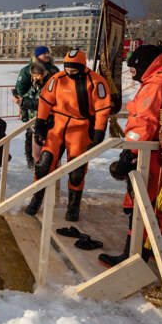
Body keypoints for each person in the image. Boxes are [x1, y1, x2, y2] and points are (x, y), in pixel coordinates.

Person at [24, 49, 111, 221]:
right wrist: (40, 123)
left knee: (77, 170)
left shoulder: (96, 82)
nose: (70, 73)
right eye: (67, 69)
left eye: (74, 70)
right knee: (43, 164)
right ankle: (36, 199)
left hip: (81, 128)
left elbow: (102, 108)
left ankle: (73, 206)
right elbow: (45, 101)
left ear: (82, 67)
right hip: (58, 126)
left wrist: (99, 133)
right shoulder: (58, 79)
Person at [98, 45, 162, 267]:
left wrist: (130, 152)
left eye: (133, 69)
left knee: (142, 203)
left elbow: (144, 121)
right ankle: (153, 248)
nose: (132, 75)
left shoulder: (155, 85)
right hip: (156, 151)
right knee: (157, 206)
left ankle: (133, 255)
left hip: (152, 156)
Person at [14, 46, 60, 169]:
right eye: (43, 53)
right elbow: (20, 89)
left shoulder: (54, 69)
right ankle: (31, 160)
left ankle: (46, 160)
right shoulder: (26, 71)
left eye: (47, 53)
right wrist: (24, 102)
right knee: (30, 134)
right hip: (30, 109)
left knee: (47, 136)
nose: (46, 55)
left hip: (47, 110)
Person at [15, 62, 52, 167]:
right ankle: (39, 171)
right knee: (35, 153)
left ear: (41, 74)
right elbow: (30, 94)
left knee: (45, 152)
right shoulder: (36, 83)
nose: (34, 78)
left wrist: (24, 102)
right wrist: (22, 100)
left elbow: (43, 104)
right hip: (34, 121)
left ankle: (46, 174)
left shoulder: (48, 85)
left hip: (44, 122)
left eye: (36, 76)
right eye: (33, 76)